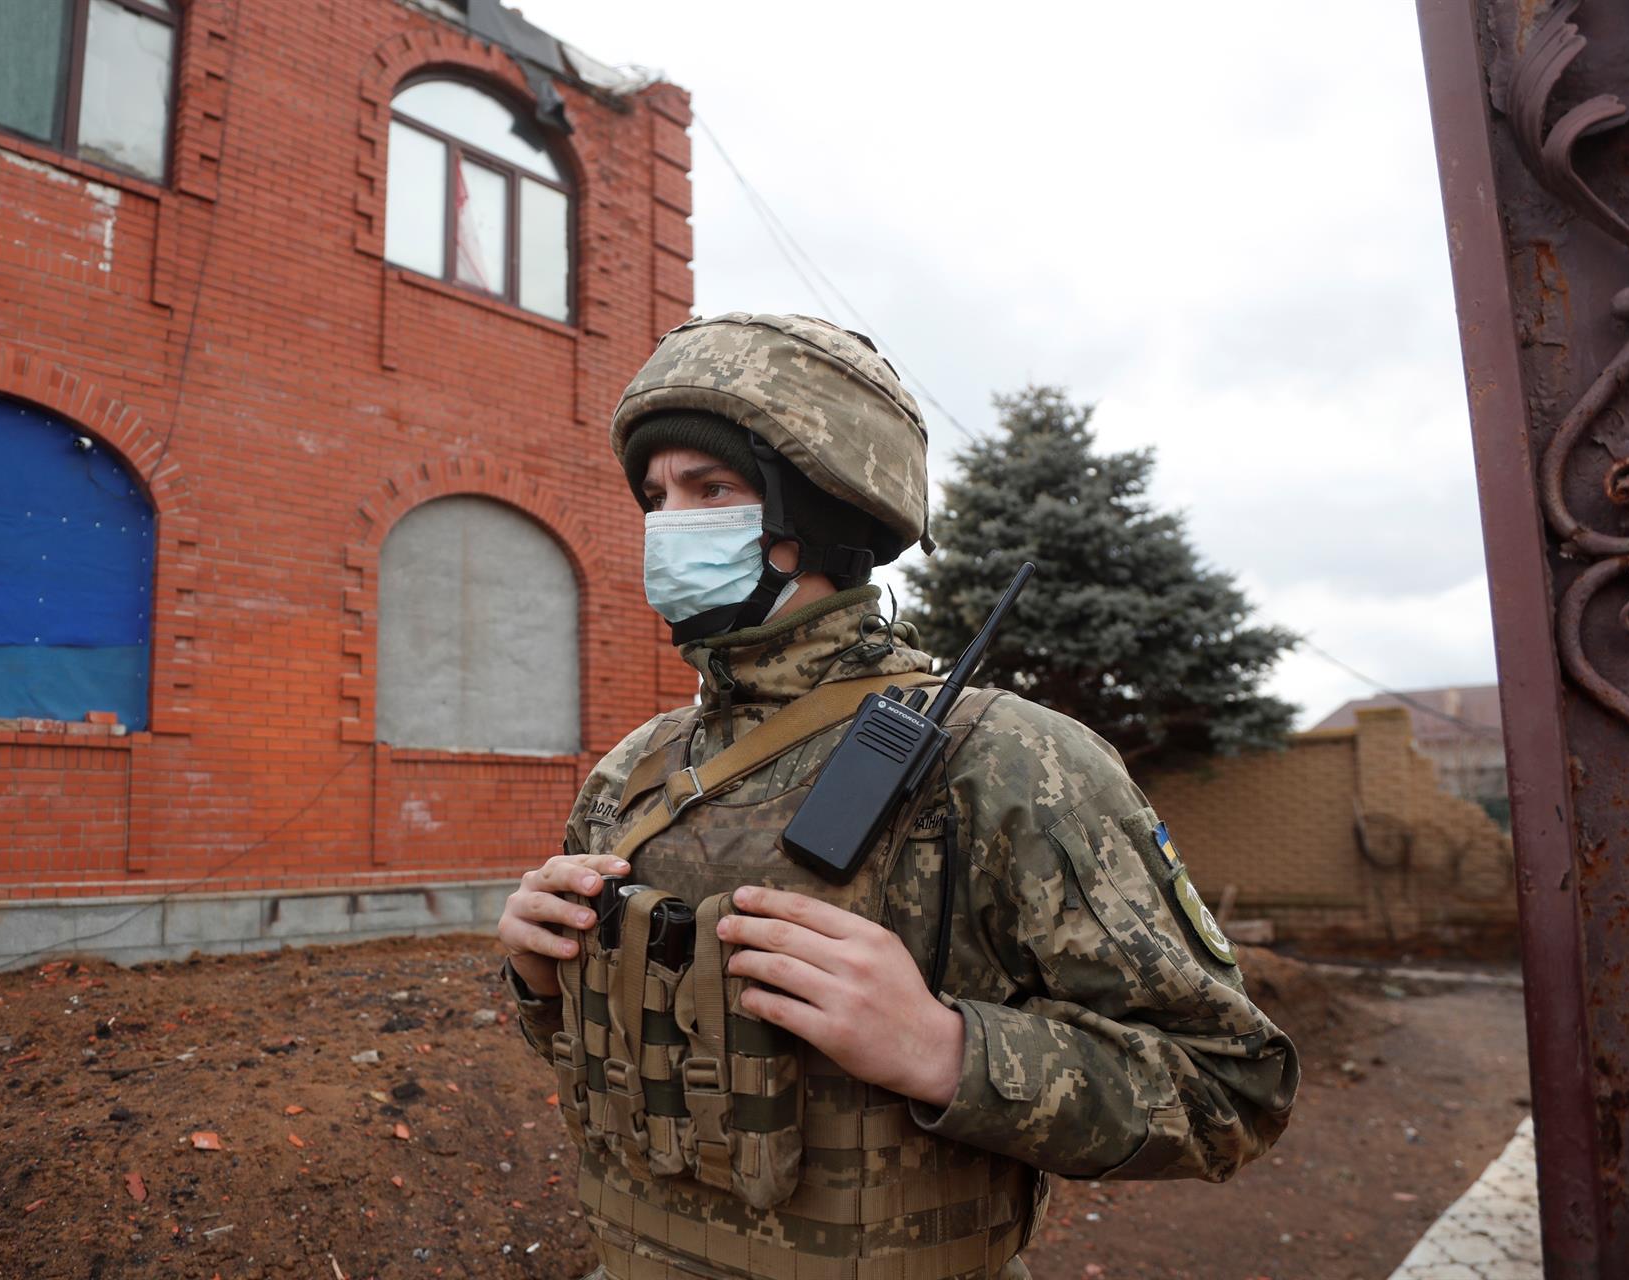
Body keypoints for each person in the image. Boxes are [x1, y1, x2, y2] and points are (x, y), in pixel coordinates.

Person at [496, 313, 1298, 1280]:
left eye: (711, 489)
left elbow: (1228, 1089)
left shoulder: (1008, 762)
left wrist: (945, 1050)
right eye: (656, 496)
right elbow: (619, 1072)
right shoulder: (635, 771)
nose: (669, 524)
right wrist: (543, 980)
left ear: (824, 516)